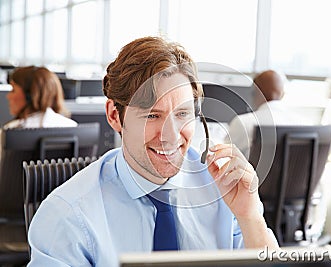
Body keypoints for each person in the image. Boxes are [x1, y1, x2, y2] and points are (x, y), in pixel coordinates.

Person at [27, 36, 279, 266]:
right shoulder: (67, 216)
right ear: (115, 116)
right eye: (152, 116)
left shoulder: (222, 188)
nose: (170, 135)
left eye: (182, 114)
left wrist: (250, 217)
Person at [226, 70, 310, 158]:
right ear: (282, 94)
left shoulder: (243, 123)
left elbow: (222, 158)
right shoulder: (306, 125)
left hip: (256, 172)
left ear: (256, 93)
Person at [3, 65, 77, 129]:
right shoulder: (71, 126)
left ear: (30, 95)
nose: (8, 96)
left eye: (13, 90)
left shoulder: (11, 131)